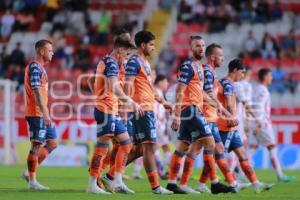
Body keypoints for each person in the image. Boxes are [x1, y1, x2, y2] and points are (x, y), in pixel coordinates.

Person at [102, 30, 173, 195]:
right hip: (141, 110)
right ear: (143, 45)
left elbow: (148, 87)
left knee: (139, 150)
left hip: (147, 108)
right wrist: (126, 108)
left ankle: (110, 175)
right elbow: (127, 86)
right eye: (151, 45)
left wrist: (163, 102)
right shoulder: (134, 61)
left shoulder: (145, 62)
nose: (154, 48)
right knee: (150, 147)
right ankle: (156, 187)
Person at [166, 36, 233, 194]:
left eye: (203, 45)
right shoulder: (188, 66)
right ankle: (215, 183)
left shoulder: (199, 68)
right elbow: (180, 90)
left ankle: (173, 183)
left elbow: (202, 93)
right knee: (210, 143)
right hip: (190, 109)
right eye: (197, 45)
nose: (201, 48)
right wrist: (176, 114)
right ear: (191, 48)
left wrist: (222, 110)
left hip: (194, 109)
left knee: (183, 146)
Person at [86, 37, 140, 194]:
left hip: (113, 110)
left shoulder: (112, 62)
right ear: (120, 50)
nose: (127, 58)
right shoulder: (111, 63)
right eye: (127, 54)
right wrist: (131, 102)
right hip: (106, 110)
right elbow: (114, 87)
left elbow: (94, 81)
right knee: (103, 146)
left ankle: (117, 181)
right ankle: (92, 184)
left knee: (126, 143)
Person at [196, 43, 248, 193]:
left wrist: (224, 112)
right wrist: (226, 113)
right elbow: (205, 94)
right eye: (221, 56)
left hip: (210, 116)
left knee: (201, 149)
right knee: (201, 149)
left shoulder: (212, 72)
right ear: (213, 57)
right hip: (206, 115)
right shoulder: (208, 71)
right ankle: (227, 183)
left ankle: (214, 183)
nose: (223, 59)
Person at [217, 58, 273, 193]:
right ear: (235, 71)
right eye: (242, 73)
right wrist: (256, 118)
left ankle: (255, 183)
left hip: (230, 126)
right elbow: (235, 104)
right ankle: (220, 182)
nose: (243, 76)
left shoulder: (223, 82)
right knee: (218, 157)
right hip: (225, 125)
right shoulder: (230, 84)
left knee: (242, 154)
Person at [23, 39, 58, 190]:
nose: (52, 53)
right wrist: (45, 113)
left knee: (52, 143)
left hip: (42, 112)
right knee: (36, 145)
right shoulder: (35, 67)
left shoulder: (40, 68)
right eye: (50, 50)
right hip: (36, 112)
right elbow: (36, 91)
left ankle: (29, 171)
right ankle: (32, 181)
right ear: (41, 51)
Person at [249, 68, 295, 182]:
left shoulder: (257, 89)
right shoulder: (263, 91)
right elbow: (258, 107)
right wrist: (259, 124)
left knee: (253, 148)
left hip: (256, 122)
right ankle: (280, 176)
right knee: (272, 147)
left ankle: (238, 170)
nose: (272, 78)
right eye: (270, 76)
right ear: (265, 77)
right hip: (263, 124)